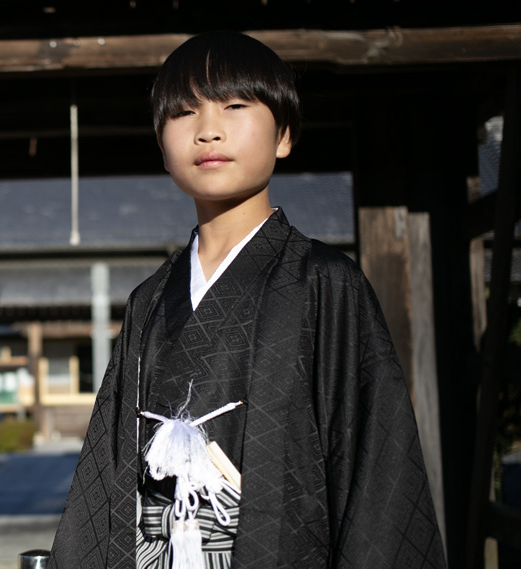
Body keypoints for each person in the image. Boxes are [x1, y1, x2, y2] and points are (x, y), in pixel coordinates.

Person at [50, 31, 446, 569]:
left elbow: (377, 473)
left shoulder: (325, 283)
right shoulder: (148, 302)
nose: (208, 130)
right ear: (163, 148)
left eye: (235, 106)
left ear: (284, 134)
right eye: (185, 113)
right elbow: (108, 474)